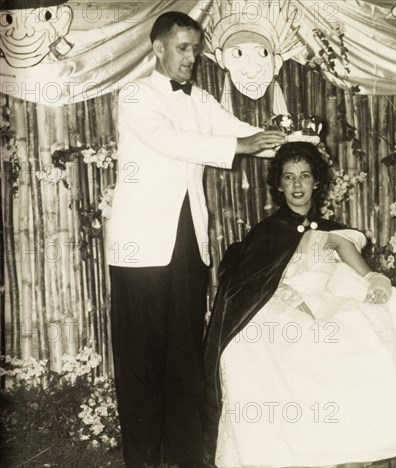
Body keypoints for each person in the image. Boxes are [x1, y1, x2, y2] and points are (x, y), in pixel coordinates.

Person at [106, 11, 285, 468]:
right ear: (158, 48)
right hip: (139, 247)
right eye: (183, 47)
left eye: (195, 47)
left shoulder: (201, 98)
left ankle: (187, 458)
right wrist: (241, 146)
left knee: (185, 353)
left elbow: (238, 131)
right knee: (141, 358)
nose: (192, 56)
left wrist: (287, 139)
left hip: (188, 242)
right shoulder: (135, 94)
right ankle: (142, 460)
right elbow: (171, 140)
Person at [203, 142, 396, 467]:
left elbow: (364, 272)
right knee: (272, 339)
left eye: (304, 176)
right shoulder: (268, 233)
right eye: (288, 177)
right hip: (277, 306)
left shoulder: (332, 235)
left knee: (357, 331)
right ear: (278, 185)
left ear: (316, 182)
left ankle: (351, 444)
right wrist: (288, 296)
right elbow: (250, 287)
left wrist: (376, 284)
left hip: (323, 303)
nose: (297, 185)